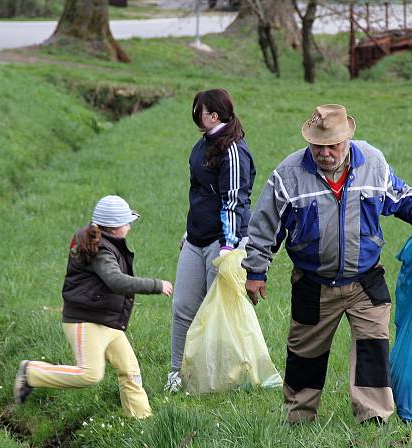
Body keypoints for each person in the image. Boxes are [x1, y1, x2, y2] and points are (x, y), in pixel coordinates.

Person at [242, 104, 412, 425]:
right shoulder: (289, 175)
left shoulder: (372, 163)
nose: (325, 153)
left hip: (365, 279)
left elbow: (399, 195)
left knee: (372, 347)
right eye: (318, 146)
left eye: (332, 146)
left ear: (347, 140)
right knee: (304, 355)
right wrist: (256, 271)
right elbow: (265, 224)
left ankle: (374, 419)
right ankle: (298, 418)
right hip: (313, 282)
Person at [14, 195, 173, 418]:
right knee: (90, 375)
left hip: (107, 319)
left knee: (130, 371)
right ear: (114, 227)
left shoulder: (103, 241)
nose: (129, 226)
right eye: (126, 222)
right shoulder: (99, 249)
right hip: (85, 321)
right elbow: (116, 281)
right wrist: (157, 285)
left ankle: (141, 421)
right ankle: (31, 372)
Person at [165, 88, 256, 393]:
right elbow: (198, 195)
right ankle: (177, 374)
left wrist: (229, 248)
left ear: (213, 116)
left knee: (218, 312)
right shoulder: (202, 144)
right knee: (182, 306)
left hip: (222, 242)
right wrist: (189, 232)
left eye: (199, 110)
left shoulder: (232, 151)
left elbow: (233, 201)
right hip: (196, 239)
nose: (195, 115)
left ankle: (223, 379)